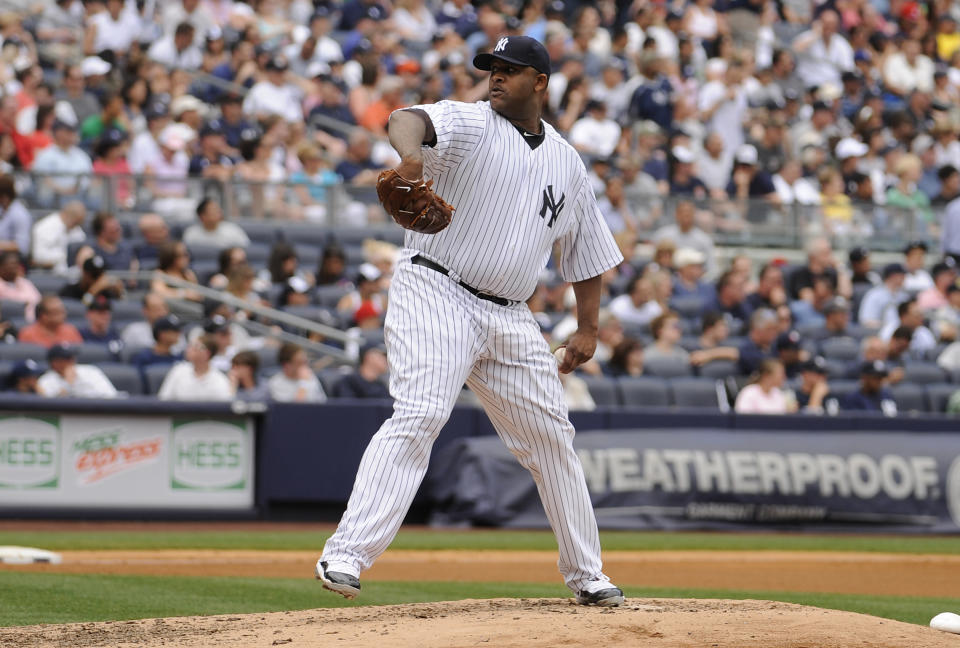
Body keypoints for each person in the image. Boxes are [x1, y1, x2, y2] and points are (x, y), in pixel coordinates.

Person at [317, 36, 625, 607]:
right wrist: (411, 159)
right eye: (492, 68)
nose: (497, 77)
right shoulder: (470, 123)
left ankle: (588, 575)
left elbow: (588, 251)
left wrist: (587, 328)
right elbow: (406, 119)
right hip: (435, 286)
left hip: (511, 314)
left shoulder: (566, 161)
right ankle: (348, 552)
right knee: (423, 412)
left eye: (511, 69)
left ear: (541, 82)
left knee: (552, 439)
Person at [157, 335, 234, 401]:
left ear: (207, 353)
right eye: (190, 346)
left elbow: (225, 405)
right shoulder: (177, 371)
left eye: (195, 347)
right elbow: (164, 399)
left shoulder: (220, 380)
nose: (188, 350)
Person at [37, 343, 118, 398]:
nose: (71, 361)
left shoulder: (91, 371)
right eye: (66, 359)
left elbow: (110, 395)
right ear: (53, 362)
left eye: (72, 358)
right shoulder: (45, 381)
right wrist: (68, 383)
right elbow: (50, 406)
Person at [182, 198, 250, 249]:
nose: (218, 213)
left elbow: (246, 249)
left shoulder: (233, 230)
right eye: (213, 210)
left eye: (218, 210)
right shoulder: (191, 234)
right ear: (202, 216)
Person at [18, 295, 83, 348]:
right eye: (57, 312)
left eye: (63, 311)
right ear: (44, 316)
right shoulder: (27, 334)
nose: (63, 315)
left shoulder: (71, 331)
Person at [0, 250, 40, 321]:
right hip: (7, 324)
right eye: (11, 264)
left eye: (16, 264)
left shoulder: (25, 282)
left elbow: (37, 300)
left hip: (32, 322)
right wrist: (24, 303)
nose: (14, 267)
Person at [0, 174, 33, 256]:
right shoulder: (2, 209)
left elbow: (22, 246)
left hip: (14, 260)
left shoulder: (20, 214)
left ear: (4, 196)